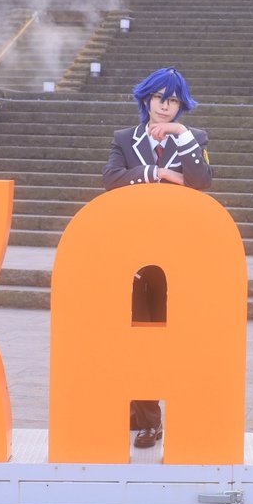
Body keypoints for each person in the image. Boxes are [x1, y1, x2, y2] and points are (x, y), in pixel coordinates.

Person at [102, 67, 212, 449]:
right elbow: (111, 179)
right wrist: (158, 171)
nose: (165, 106)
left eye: (173, 100)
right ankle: (149, 417)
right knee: (137, 330)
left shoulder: (194, 138)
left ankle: (145, 410)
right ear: (146, 99)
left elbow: (202, 181)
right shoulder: (124, 138)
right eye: (159, 98)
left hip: (176, 252)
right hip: (133, 251)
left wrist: (181, 136)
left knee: (164, 333)